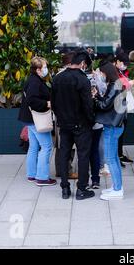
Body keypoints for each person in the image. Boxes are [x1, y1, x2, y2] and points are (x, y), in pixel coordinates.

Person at [51, 50, 96, 200]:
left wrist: (61, 118)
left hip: (64, 124)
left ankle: (65, 188)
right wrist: (91, 120)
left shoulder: (57, 78)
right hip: (81, 124)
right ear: (82, 64)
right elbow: (88, 105)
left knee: (64, 155)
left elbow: (54, 103)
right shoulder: (83, 80)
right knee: (83, 156)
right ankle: (81, 189)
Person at [18, 57, 55, 187]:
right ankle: (42, 178)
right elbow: (32, 100)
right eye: (44, 67)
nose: (46, 70)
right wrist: (47, 103)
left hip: (28, 118)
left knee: (34, 147)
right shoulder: (35, 82)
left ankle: (32, 174)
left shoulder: (32, 79)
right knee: (47, 146)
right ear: (38, 69)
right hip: (36, 119)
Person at [93, 62, 127, 201]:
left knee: (111, 158)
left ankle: (118, 189)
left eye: (101, 73)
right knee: (113, 158)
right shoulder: (116, 84)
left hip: (112, 126)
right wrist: (99, 97)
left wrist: (94, 98)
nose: (101, 75)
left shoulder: (114, 85)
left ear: (106, 73)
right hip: (115, 124)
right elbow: (108, 102)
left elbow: (104, 105)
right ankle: (117, 186)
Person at [54, 52, 77, 180]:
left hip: (61, 115)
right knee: (67, 145)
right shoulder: (65, 76)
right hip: (67, 115)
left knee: (61, 145)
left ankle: (61, 170)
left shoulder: (58, 76)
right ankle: (66, 171)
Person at [114, 53, 134, 165]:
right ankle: (117, 156)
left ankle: (119, 154)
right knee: (118, 133)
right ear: (117, 61)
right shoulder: (114, 72)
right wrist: (129, 83)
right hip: (119, 107)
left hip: (124, 106)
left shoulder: (120, 72)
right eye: (123, 63)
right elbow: (118, 86)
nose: (125, 66)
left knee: (122, 132)